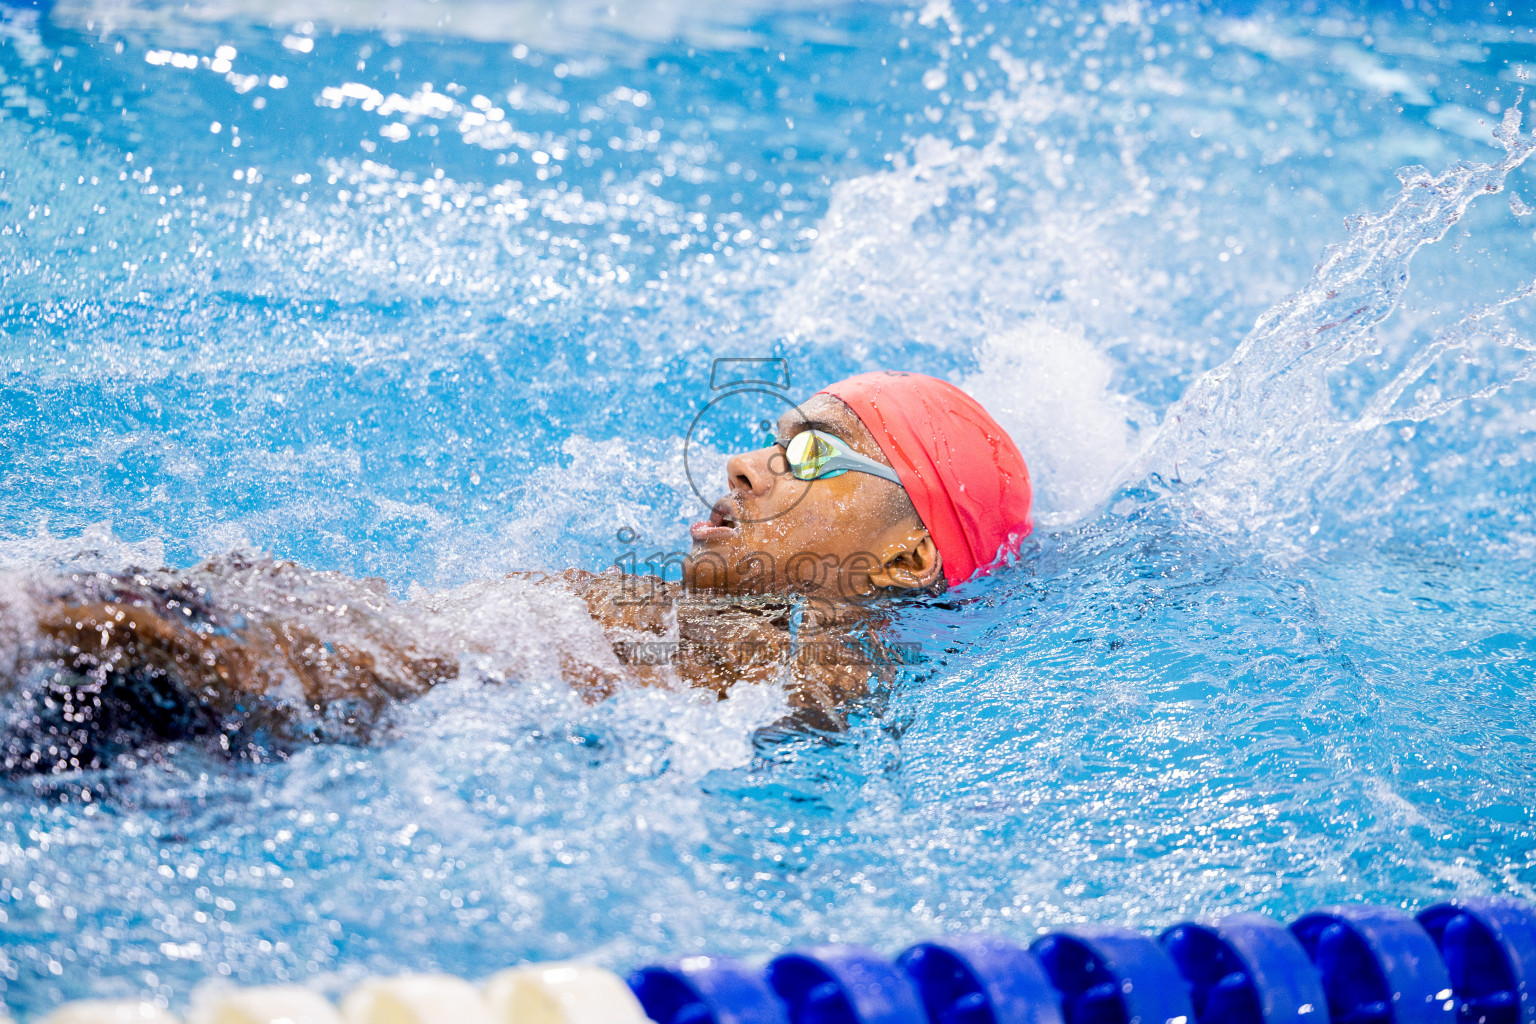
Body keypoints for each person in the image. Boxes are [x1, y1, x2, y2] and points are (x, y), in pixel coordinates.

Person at [0, 371, 1033, 774]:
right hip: (288, 651)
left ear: (906, 556)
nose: (747, 461)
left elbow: (823, 721)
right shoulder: (706, 603)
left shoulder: (828, 650)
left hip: (289, 688)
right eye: (769, 436)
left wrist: (842, 619)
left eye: (812, 454)